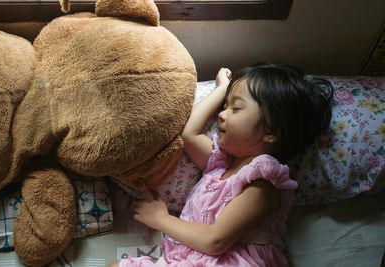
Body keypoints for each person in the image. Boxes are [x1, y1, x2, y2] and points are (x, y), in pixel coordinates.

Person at [109, 62, 333, 267]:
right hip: (190, 258)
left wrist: (161, 219)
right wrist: (221, 90)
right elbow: (189, 133)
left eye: (236, 108)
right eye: (225, 106)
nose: (221, 115)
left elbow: (215, 241)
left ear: (272, 132)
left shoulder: (264, 183)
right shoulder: (220, 165)